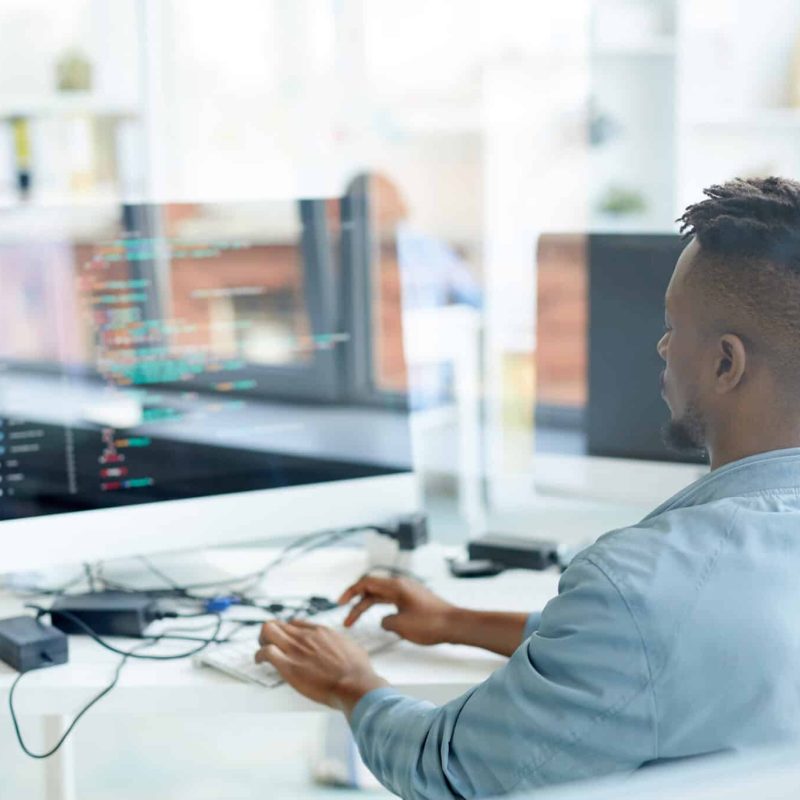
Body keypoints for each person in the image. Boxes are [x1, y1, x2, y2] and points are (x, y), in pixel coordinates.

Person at [255, 177, 800, 798]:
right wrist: (457, 620)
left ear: (726, 363)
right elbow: (668, 650)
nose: (662, 344)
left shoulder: (648, 584)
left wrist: (350, 684)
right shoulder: (675, 597)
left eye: (674, 325)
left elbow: (451, 773)